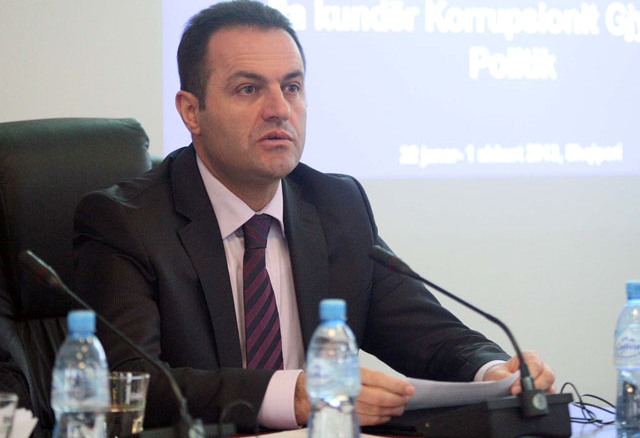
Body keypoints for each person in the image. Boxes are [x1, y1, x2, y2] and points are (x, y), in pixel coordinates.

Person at [73, 0, 555, 432]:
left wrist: (494, 371)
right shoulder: (126, 223)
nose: (279, 109)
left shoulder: (336, 205)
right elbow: (127, 383)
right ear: (191, 112)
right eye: (248, 89)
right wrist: (293, 396)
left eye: (292, 86)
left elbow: (428, 334)